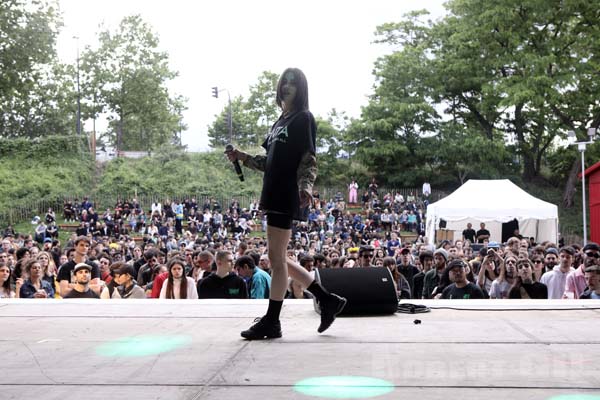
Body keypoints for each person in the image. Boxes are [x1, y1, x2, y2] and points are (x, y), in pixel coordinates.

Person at [226, 67, 346, 340]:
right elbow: (267, 162)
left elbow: (309, 158)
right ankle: (326, 299)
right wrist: (241, 156)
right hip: (272, 193)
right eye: (284, 82)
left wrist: (305, 186)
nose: (287, 87)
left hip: (286, 194)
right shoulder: (280, 121)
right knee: (277, 258)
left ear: (300, 89)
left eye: (293, 83)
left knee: (276, 261)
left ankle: (272, 321)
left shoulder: (304, 118)